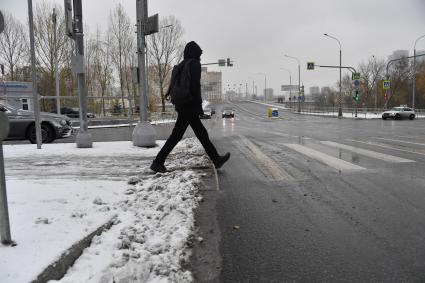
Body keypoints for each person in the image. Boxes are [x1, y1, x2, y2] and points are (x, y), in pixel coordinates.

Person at [150, 41, 230, 173]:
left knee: (200, 133)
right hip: (189, 105)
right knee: (177, 135)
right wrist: (198, 107)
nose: (200, 57)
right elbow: (194, 87)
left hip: (182, 103)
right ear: (195, 54)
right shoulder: (194, 64)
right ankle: (157, 162)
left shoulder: (181, 65)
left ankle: (216, 159)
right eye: (199, 54)